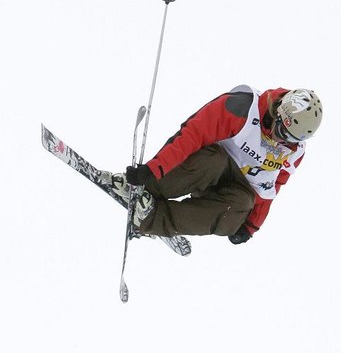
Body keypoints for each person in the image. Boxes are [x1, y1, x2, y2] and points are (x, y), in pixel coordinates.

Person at [106, 86, 322, 241]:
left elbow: (271, 186)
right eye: (283, 132)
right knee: (214, 161)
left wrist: (251, 225)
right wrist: (154, 170)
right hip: (207, 165)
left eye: (292, 139)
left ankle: (150, 218)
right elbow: (192, 135)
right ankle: (146, 189)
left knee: (241, 206)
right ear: (278, 112)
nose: (282, 141)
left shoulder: (293, 151)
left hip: (234, 186)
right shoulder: (242, 108)